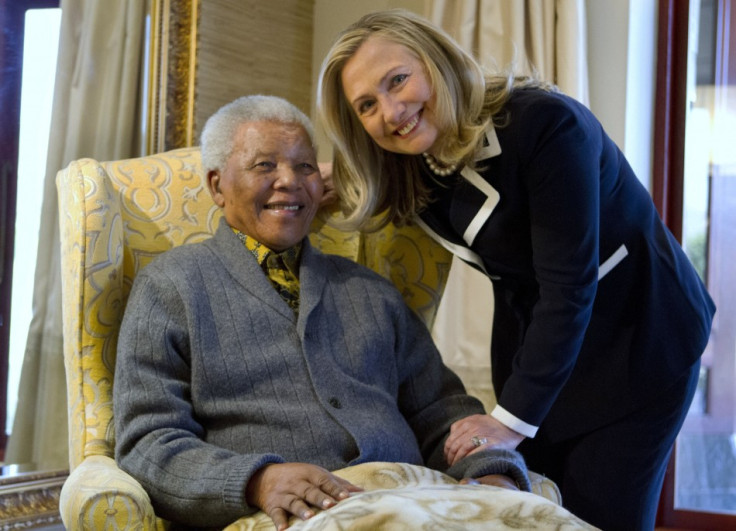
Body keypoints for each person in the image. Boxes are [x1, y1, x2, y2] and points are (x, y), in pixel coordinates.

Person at [317, 9, 716, 531]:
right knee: (537, 513)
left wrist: (508, 420)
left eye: (398, 80)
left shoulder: (548, 125)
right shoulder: (409, 155)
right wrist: (311, 177)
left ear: (436, 63)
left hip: (638, 336)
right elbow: (351, 176)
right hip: (542, 345)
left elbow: (570, 285)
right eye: (367, 105)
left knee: (599, 515)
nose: (392, 112)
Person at [113, 94, 534, 530]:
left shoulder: (371, 290)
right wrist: (257, 480)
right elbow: (149, 442)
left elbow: (442, 411)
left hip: (416, 500)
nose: (289, 181)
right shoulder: (170, 286)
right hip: (286, 517)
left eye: (305, 166)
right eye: (264, 165)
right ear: (217, 186)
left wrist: (491, 468)